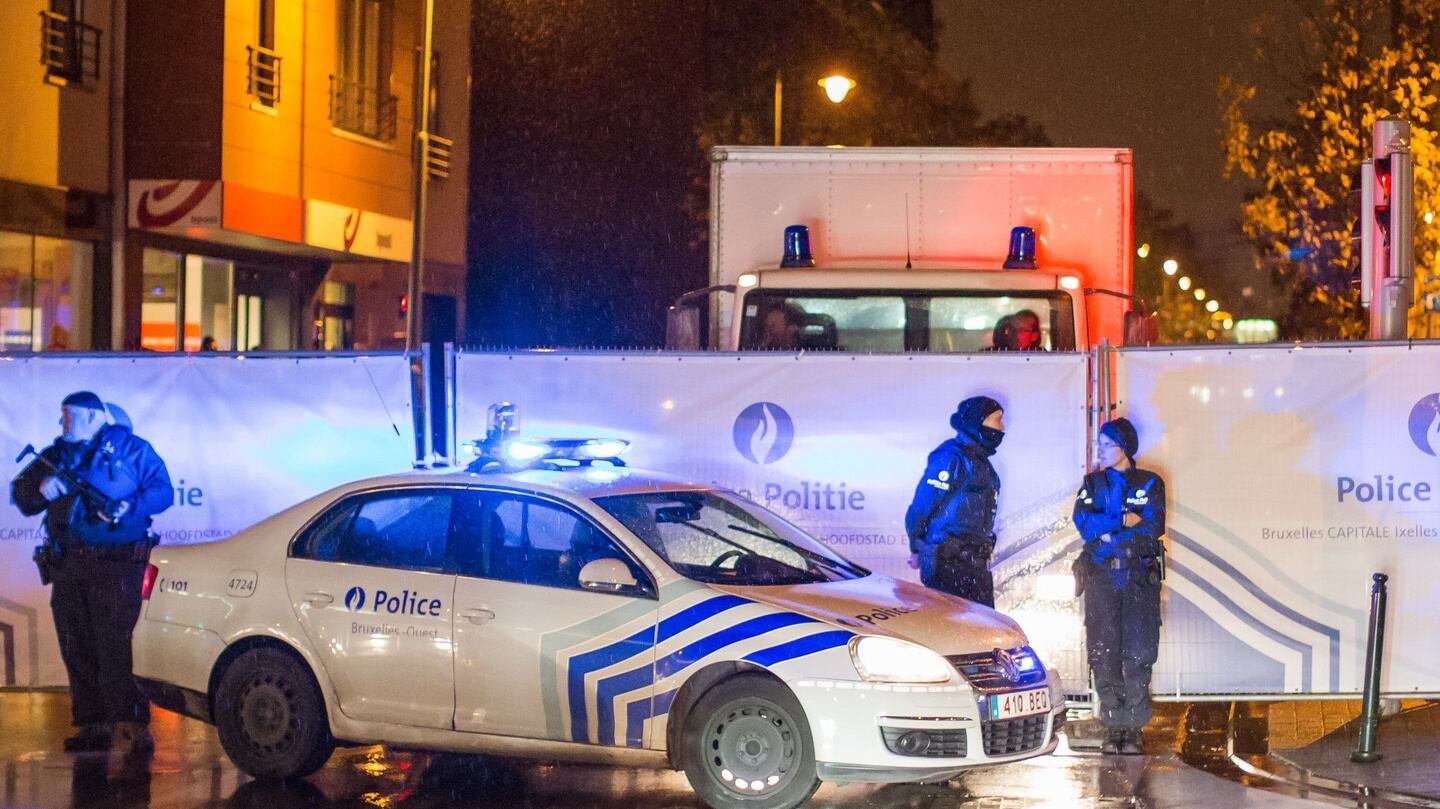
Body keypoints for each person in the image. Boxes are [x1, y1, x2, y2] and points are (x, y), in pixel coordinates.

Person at [10, 392, 173, 757]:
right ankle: (91, 722)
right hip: (68, 564)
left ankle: (130, 722)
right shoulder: (54, 456)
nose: (62, 422)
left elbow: (163, 491)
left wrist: (129, 506)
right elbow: (21, 496)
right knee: (77, 643)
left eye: (69, 415)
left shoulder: (130, 449)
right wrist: (39, 491)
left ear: (90, 416)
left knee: (116, 643)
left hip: (116, 563)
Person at [1072, 417, 1166, 755]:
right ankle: (1114, 727)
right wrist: (1119, 520)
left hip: (1139, 579)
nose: (1101, 450)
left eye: (1107, 444)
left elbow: (1153, 526)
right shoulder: (1093, 483)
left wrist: (1109, 532)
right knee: (1104, 651)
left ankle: (1134, 726)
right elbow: (1084, 524)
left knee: (1139, 652)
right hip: (1102, 578)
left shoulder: (1150, 482)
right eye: (1099, 444)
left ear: (1125, 447)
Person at [904, 396, 1005, 606]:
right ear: (977, 421)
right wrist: (917, 545)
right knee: (954, 631)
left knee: (983, 630)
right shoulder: (951, 457)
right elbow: (921, 507)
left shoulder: (982, 462)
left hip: (974, 564)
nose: (1001, 427)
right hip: (948, 564)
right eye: (996, 420)